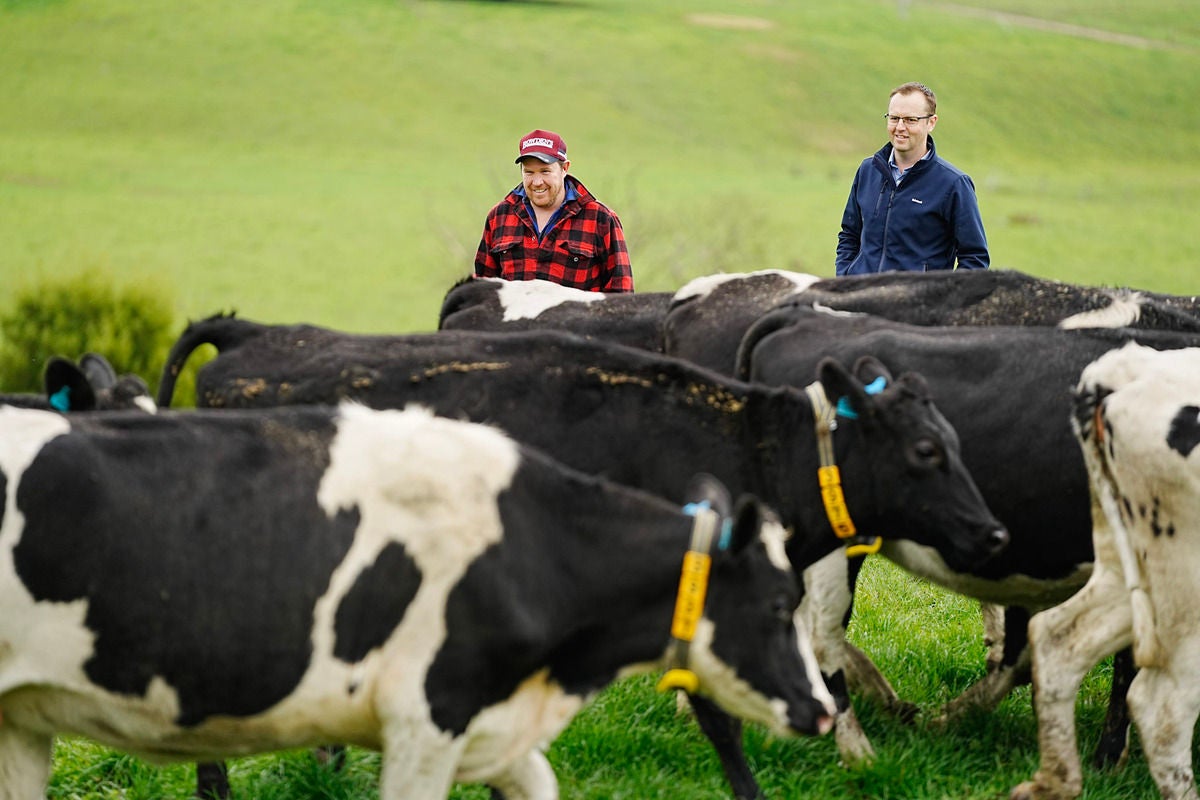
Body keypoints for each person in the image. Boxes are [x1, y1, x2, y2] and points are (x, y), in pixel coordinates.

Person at [836, 82, 989, 275]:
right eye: (894, 118)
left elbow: (975, 258)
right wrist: (845, 278)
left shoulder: (954, 184)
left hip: (916, 303)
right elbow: (849, 235)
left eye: (910, 120)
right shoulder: (868, 170)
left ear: (931, 122)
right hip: (860, 298)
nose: (900, 127)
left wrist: (942, 300)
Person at [474, 128, 634, 292]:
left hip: (578, 318)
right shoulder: (499, 217)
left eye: (545, 171)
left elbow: (621, 293)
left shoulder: (601, 219)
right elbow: (482, 292)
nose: (537, 182)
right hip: (517, 318)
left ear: (565, 168)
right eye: (529, 172)